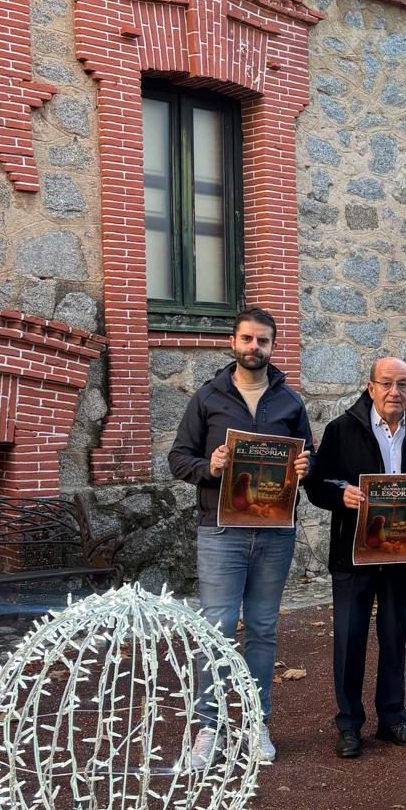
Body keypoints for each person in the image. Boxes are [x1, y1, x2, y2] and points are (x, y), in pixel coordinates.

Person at [169, 307, 314, 767]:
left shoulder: (289, 402)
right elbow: (178, 458)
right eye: (248, 339)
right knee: (216, 628)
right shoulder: (209, 397)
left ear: (273, 346)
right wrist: (207, 468)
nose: (255, 348)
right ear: (233, 343)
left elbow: (308, 458)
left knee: (263, 629)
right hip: (221, 530)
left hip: (274, 532)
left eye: (264, 341)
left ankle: (256, 723)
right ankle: (209, 727)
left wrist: (304, 468)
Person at [303, 358, 406, 758]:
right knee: (350, 640)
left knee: (394, 638)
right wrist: (341, 495)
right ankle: (349, 725)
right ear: (370, 387)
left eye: (402, 384)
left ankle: (392, 719)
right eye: (386, 384)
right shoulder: (341, 430)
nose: (395, 392)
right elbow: (317, 486)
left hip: (403, 555)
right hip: (353, 556)